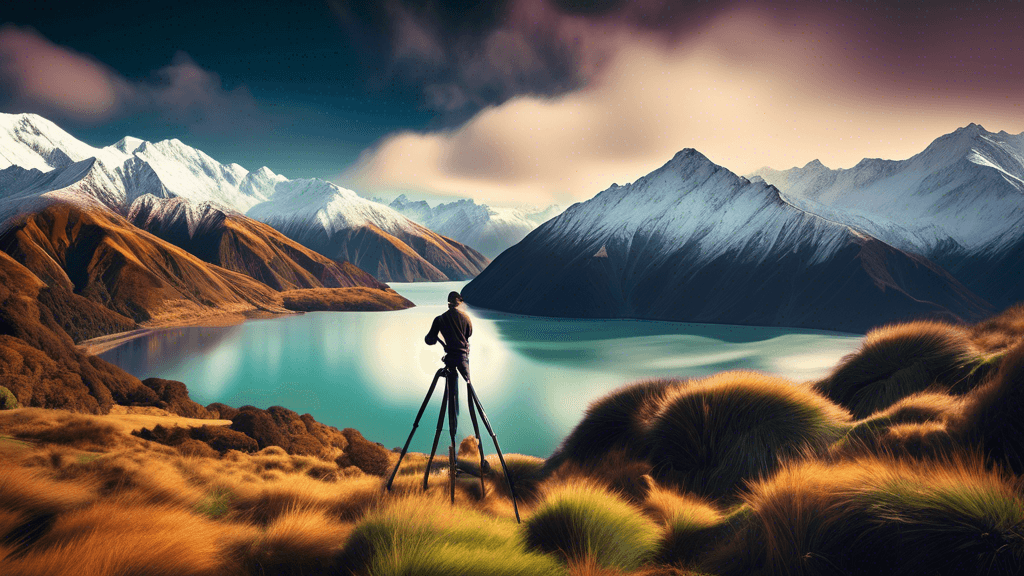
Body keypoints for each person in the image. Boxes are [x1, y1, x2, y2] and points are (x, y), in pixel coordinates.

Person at [424, 291, 472, 441]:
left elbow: (429, 340)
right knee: (471, 392)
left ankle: (453, 432)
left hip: (450, 359)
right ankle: (474, 430)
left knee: (452, 396)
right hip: (463, 359)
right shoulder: (466, 318)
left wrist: (435, 337)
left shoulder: (440, 319)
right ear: (460, 303)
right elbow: (469, 334)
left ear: (448, 303)